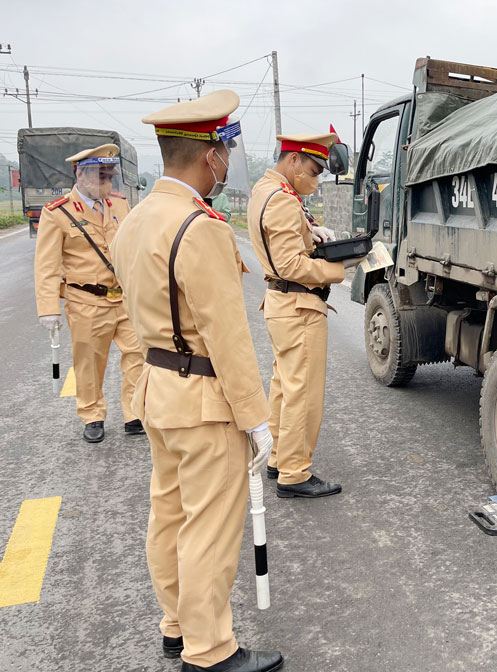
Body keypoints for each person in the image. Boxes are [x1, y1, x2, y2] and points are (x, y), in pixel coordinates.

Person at [110, 89, 282, 672]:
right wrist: (258, 420)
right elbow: (229, 338)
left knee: (169, 516)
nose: (228, 162)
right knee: (208, 528)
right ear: (210, 156)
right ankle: (209, 651)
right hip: (205, 401)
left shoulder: (133, 222)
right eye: (225, 149)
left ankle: (177, 626)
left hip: (158, 393)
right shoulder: (200, 227)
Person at [247, 132, 357, 499]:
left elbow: (290, 246)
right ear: (293, 160)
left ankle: (280, 458)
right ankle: (294, 473)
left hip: (283, 307)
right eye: (313, 170)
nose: (316, 179)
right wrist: (338, 269)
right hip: (297, 307)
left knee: (284, 389)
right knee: (303, 394)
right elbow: (289, 263)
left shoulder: (267, 190)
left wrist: (312, 235)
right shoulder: (280, 200)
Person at [33, 143, 144, 443]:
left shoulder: (119, 205)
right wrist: (48, 309)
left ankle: (135, 412)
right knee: (90, 363)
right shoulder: (57, 213)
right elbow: (46, 264)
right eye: (100, 176)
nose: (106, 182)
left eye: (109, 176)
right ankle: (92, 414)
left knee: (139, 354)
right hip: (85, 301)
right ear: (81, 176)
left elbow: (133, 248)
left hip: (124, 298)